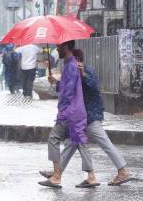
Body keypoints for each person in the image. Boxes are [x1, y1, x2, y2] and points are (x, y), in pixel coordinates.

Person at [43, 48, 134, 187]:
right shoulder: (73, 72)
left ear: (78, 60)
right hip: (79, 116)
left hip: (90, 116)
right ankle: (58, 174)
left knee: (104, 143)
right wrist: (56, 82)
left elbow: (94, 86)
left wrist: (83, 73)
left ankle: (122, 171)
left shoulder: (88, 71)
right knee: (71, 144)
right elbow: (69, 88)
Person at [39, 40, 93, 188]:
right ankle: (91, 176)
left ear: (66, 47)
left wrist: (61, 112)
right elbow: (67, 86)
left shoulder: (71, 66)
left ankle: (56, 176)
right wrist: (56, 82)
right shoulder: (71, 64)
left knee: (53, 138)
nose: (57, 50)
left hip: (70, 111)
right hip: (77, 111)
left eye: (59, 47)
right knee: (79, 142)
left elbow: (68, 93)